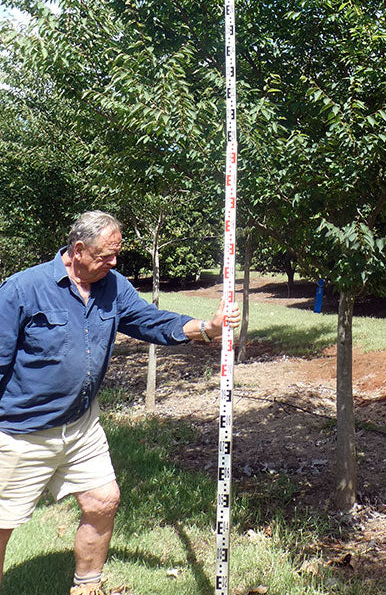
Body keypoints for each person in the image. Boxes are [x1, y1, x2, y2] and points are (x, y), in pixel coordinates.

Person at [0, 210, 240, 595]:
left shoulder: (113, 286)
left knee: (103, 499)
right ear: (78, 250)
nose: (114, 263)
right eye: (105, 255)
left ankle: (87, 586)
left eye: (117, 255)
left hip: (80, 425)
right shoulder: (22, 289)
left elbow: (152, 321)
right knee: (1, 524)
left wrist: (206, 329)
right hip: (21, 431)